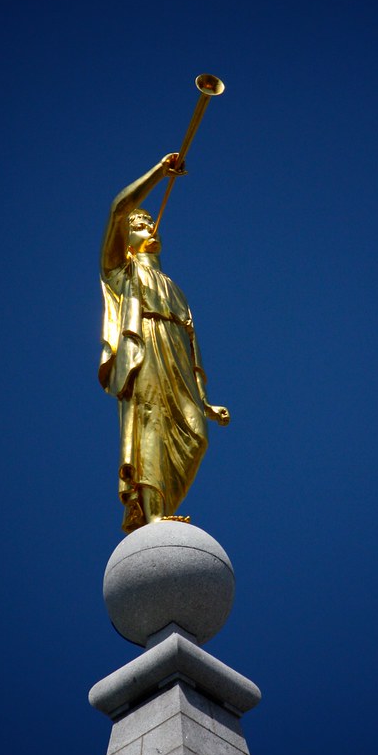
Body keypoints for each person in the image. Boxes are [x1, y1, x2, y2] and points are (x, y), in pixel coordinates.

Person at [99, 153, 229, 532]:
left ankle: (162, 506)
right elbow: (118, 210)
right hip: (146, 345)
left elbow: (192, 347)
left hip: (173, 350)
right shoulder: (120, 273)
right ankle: (154, 514)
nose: (147, 226)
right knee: (152, 422)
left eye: (150, 222)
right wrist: (160, 171)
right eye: (140, 225)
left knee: (195, 435)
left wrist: (204, 401)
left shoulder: (174, 288)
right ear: (127, 240)